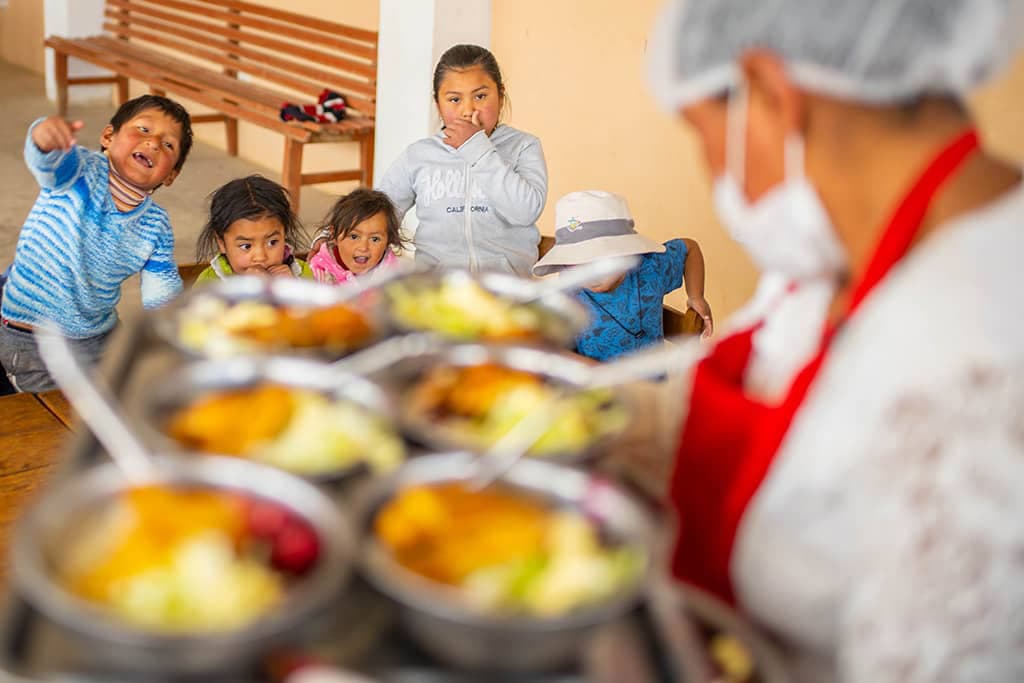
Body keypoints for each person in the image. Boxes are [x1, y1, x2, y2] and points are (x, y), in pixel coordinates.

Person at [635, 0, 1024, 680]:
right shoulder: (826, 259)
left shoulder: (974, 366)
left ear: (771, 94)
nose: (714, 170)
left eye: (701, 134)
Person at [0, 95, 193, 393]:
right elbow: (47, 162)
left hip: (100, 335)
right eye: (142, 129)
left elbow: (161, 288)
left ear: (171, 175)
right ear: (108, 137)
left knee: (127, 395)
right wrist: (44, 136)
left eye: (168, 144)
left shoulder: (156, 224)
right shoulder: (79, 170)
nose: (153, 142)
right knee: (52, 419)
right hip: (33, 338)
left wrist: (174, 328)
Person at [368, 44, 548, 276]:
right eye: (454, 99)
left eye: (480, 96)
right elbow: (378, 213)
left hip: (506, 294)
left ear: (501, 96)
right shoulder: (419, 155)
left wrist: (477, 150)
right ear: (438, 104)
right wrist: (334, 235)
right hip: (438, 292)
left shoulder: (524, 146)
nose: (468, 110)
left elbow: (525, 211)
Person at [532, 190, 712, 362]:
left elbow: (689, 248)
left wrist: (696, 296)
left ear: (628, 252)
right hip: (593, 388)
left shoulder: (651, 268)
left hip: (650, 390)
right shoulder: (569, 286)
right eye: (575, 263)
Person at [194, 175, 312, 284]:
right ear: (222, 243)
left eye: (272, 242)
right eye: (246, 246)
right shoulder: (209, 284)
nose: (260, 257)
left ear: (284, 234)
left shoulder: (303, 275)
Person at [308, 188, 406, 285]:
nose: (363, 247)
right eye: (354, 236)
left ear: (388, 241)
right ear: (334, 235)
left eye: (375, 239)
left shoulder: (390, 270)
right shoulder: (320, 270)